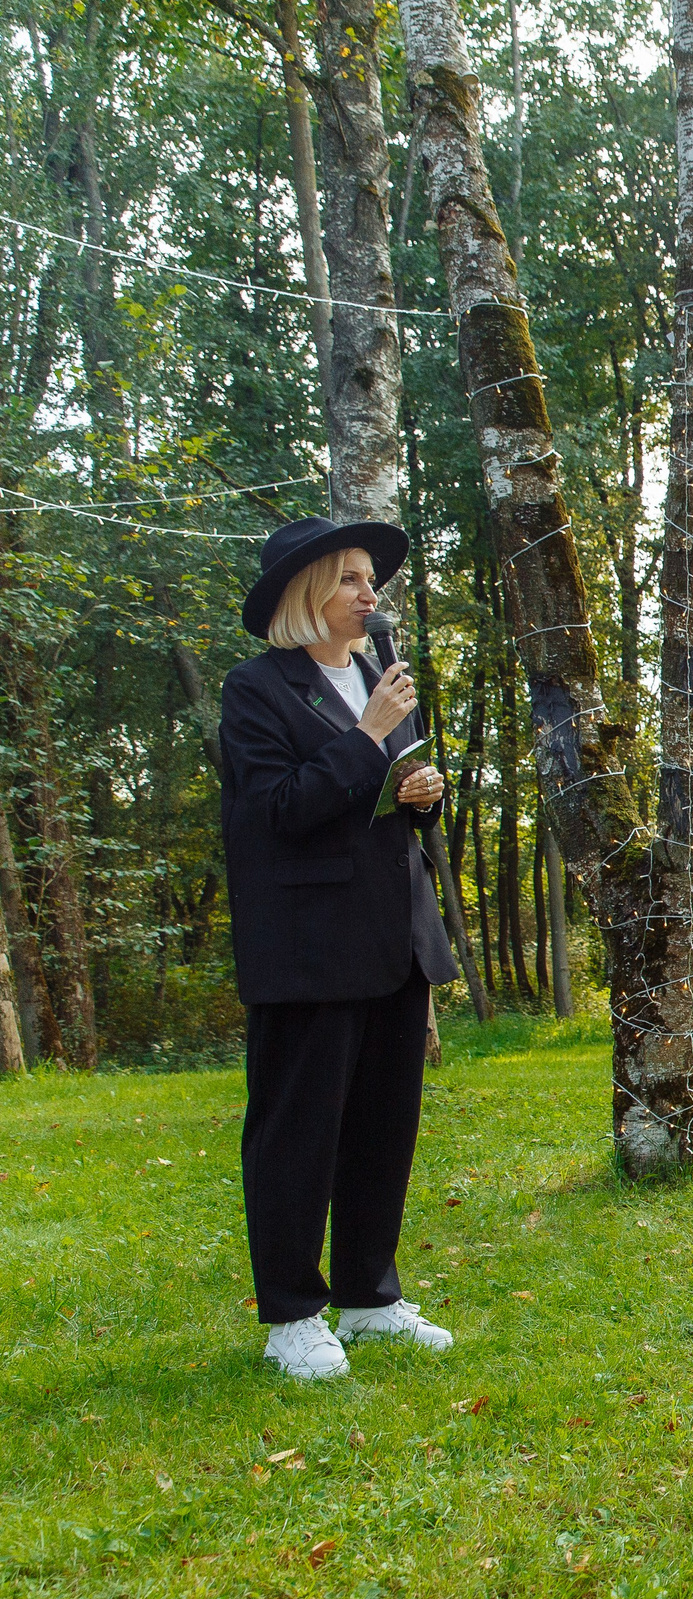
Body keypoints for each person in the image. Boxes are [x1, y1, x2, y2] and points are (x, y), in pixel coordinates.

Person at [220, 517, 462, 1379]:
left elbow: (386, 802)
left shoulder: (375, 676)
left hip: (394, 937)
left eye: (372, 580)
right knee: (298, 1134)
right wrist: (367, 740)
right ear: (307, 593)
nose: (372, 595)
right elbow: (277, 812)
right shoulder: (257, 691)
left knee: (381, 1128)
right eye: (353, 579)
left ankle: (370, 1297)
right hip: (308, 948)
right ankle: (291, 1315)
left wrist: (423, 792)